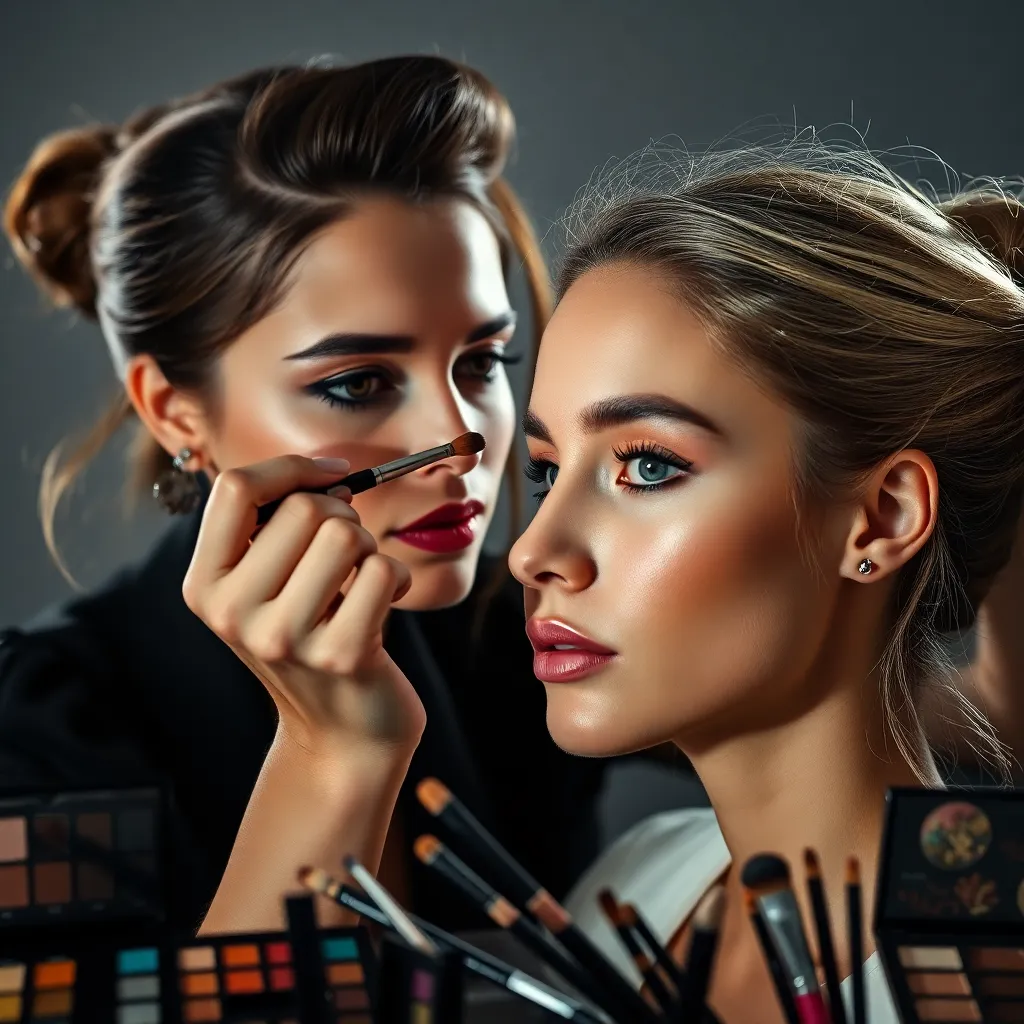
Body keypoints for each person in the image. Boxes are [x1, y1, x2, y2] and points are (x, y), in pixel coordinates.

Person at [0, 57, 606, 936]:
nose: (462, 438)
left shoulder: (527, 634)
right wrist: (336, 755)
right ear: (174, 412)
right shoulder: (39, 736)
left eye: (481, 363)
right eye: (358, 383)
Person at [508, 142, 1024, 1022]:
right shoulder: (632, 890)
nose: (533, 552)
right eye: (548, 470)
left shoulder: (987, 972)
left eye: (648, 466)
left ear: (884, 517)